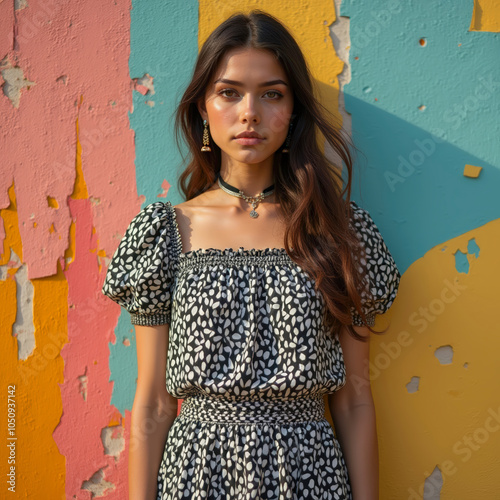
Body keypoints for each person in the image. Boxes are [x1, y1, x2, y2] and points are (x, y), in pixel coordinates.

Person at [102, 9, 400, 500]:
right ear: (202, 105)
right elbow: (155, 402)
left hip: (310, 475)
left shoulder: (341, 233)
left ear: (294, 110)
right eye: (229, 92)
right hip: (199, 475)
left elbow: (354, 397)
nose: (249, 113)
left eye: (272, 94)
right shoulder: (166, 233)